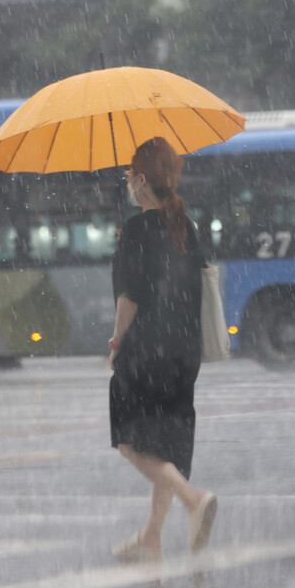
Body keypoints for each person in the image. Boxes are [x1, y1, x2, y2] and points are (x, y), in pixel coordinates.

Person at [107, 137, 217, 563]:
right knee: (166, 443)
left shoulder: (135, 230)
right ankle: (152, 536)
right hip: (184, 353)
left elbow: (129, 299)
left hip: (146, 350)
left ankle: (194, 500)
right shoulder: (185, 225)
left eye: (128, 176)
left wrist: (117, 343)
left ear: (138, 180)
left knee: (132, 439)